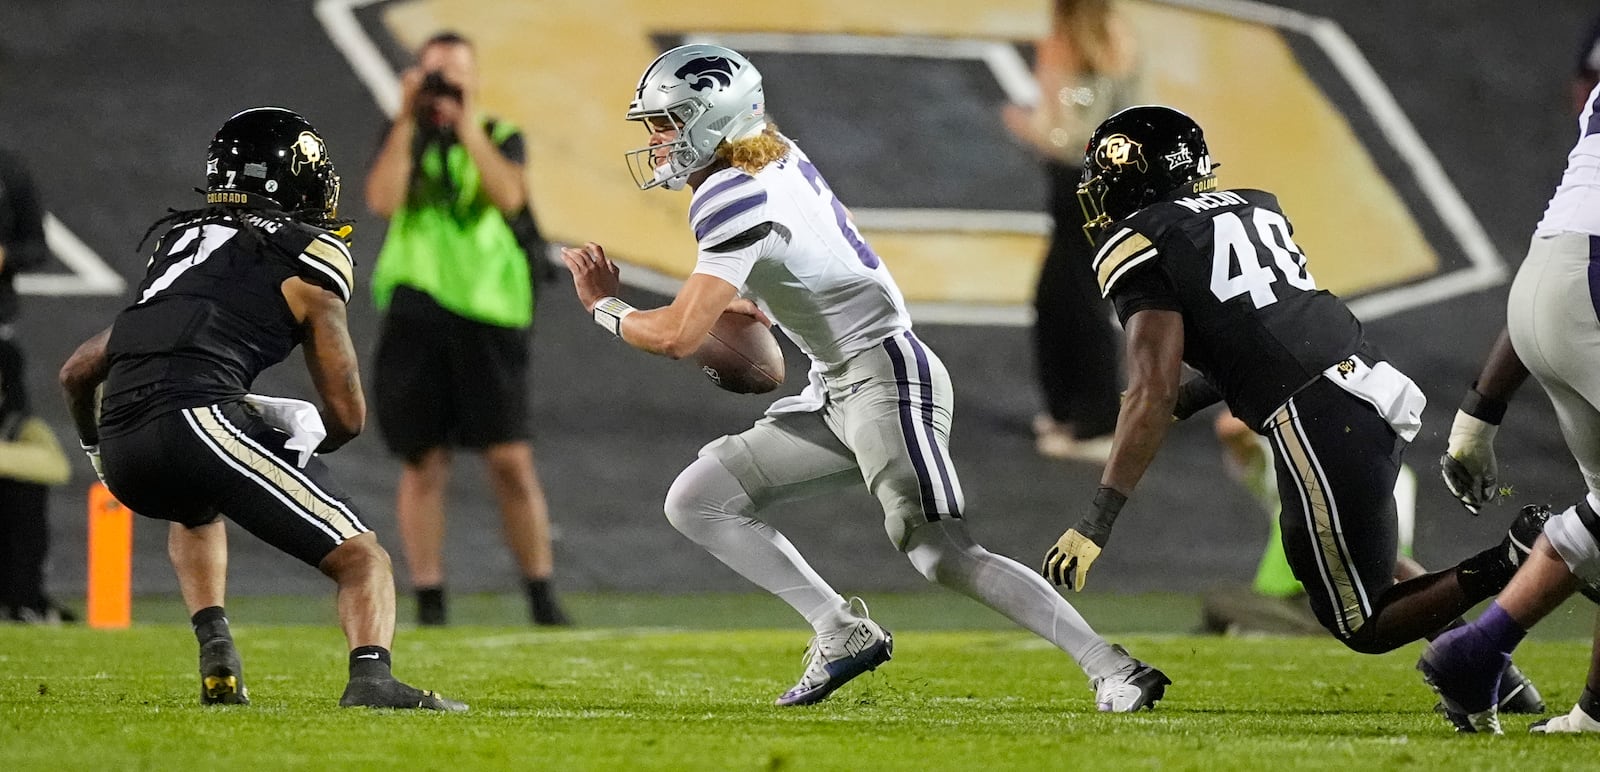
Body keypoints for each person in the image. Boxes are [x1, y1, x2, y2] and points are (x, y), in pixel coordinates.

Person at [559, 43, 1168, 711]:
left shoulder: (730, 193)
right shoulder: (768, 152)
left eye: (670, 120)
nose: (658, 139)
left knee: (940, 551)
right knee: (698, 499)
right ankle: (840, 629)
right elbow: (801, 247)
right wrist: (765, 297)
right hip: (839, 382)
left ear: (716, 117)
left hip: (886, 376)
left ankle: (1112, 665)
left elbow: (676, 335)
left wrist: (604, 306)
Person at [1040, 105, 1544, 685]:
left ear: (1138, 173)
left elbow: (1150, 391)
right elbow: (1265, 331)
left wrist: (1095, 524)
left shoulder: (1141, 240)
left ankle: (1515, 558)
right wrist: (1181, 400)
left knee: (1361, 622)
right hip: (1365, 382)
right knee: (1375, 565)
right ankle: (1494, 681)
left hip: (1314, 411)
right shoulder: (1253, 204)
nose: (1101, 194)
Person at [58, 107, 464, 711]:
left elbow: (77, 369)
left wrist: (98, 452)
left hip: (121, 438)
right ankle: (372, 679)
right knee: (362, 558)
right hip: (196, 417)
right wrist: (289, 428)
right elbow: (348, 417)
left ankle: (216, 648)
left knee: (194, 507)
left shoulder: (180, 241)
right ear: (291, 178)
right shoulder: (308, 252)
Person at [365, 30, 566, 627]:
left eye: (456, 74)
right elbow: (382, 200)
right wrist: (406, 119)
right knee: (422, 461)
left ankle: (541, 596)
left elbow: (507, 197)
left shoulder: (501, 135)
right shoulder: (405, 136)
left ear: (475, 79)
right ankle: (429, 600)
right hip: (416, 310)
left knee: (509, 459)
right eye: (435, 75)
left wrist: (468, 121)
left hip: (488, 312)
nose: (444, 86)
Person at [1420, 78, 1600, 734]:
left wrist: (1477, 416)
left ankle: (1583, 709)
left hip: (1548, 284)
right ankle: (1475, 648)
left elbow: (1570, 234)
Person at [1002, 0, 1141, 462]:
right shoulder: (1100, 37)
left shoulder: (1088, 47)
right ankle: (1067, 410)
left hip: (1092, 187)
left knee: (1078, 297)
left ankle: (1097, 423)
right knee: (1057, 297)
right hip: (1081, 188)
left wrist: (1031, 129)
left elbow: (1083, 137)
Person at [0, 147, 74, 622]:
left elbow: (36, 248)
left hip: (2, 336)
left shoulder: (8, 169)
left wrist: (6, 255)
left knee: (31, 462)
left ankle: (23, 594)